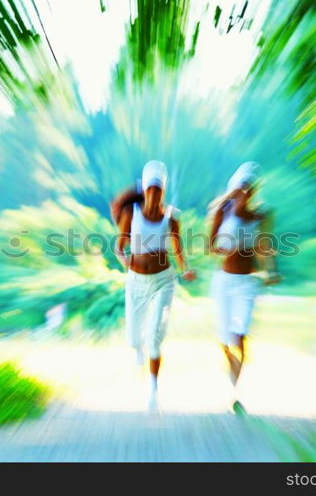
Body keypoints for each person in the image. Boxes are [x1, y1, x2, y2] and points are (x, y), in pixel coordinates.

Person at [111, 160, 196, 411]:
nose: (154, 194)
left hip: (163, 281)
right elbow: (119, 245)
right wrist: (124, 258)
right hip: (136, 281)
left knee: (156, 337)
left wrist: (185, 269)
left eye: (159, 190)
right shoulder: (130, 214)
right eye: (151, 189)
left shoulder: (171, 217)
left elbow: (178, 249)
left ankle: (153, 389)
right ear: (145, 190)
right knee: (133, 338)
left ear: (163, 192)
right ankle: (136, 347)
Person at [208, 162, 282, 413]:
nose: (245, 193)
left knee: (240, 335)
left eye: (249, 189)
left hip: (247, 283)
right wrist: (230, 247)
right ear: (234, 189)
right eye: (241, 188)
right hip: (224, 282)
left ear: (254, 191)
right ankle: (231, 377)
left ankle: (235, 391)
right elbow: (211, 248)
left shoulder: (262, 215)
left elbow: (264, 247)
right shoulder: (222, 211)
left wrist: (271, 271)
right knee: (224, 339)